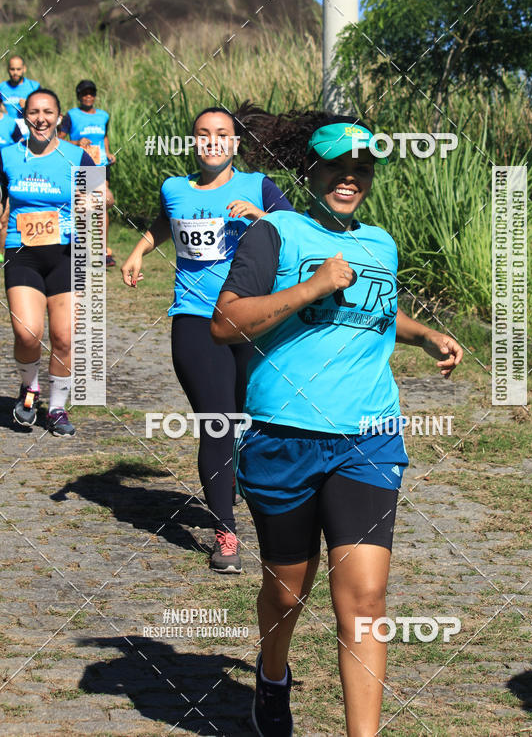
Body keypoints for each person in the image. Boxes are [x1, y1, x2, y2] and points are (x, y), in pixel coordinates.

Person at [211, 111, 463, 737]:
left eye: (362, 169)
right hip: (284, 437)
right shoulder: (276, 233)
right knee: (289, 593)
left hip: (369, 438)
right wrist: (311, 286)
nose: (350, 179)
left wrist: (423, 333)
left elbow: (377, 309)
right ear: (313, 169)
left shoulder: (380, 243)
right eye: (338, 167)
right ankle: (273, 675)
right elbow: (226, 322)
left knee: (366, 600)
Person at [120, 105, 295, 574]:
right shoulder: (174, 188)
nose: (213, 141)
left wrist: (263, 216)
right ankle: (227, 532)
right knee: (216, 422)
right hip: (196, 321)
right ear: (193, 141)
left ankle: (239, 484)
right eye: (203, 134)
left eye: (222, 134)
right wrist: (139, 249)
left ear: (236, 143)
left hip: (253, 318)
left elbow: (300, 237)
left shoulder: (259, 187)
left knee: (243, 420)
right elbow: (167, 222)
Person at [0, 88, 96, 437]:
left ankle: (56, 408)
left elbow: (102, 197)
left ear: (58, 117)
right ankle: (29, 389)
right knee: (27, 333)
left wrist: (93, 204)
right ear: (25, 116)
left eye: (48, 112)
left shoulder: (78, 156)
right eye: (34, 111)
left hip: (67, 254)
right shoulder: (7, 155)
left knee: (64, 337)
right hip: (21, 251)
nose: (41, 118)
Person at [59, 80, 116, 267]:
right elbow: (59, 139)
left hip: (100, 165)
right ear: (78, 96)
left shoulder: (104, 116)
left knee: (102, 205)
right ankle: (80, 248)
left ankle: (102, 251)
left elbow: (104, 136)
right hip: (80, 164)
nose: (88, 96)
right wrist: (77, 144)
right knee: (82, 206)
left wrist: (108, 152)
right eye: (84, 93)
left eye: (91, 92)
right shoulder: (71, 116)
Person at [0, 103, 20, 264]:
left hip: (6, 174)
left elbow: (19, 146)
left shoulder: (10, 123)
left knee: (5, 216)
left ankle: (2, 253)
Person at [0, 55, 40, 121]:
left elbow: (43, 108)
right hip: (8, 126)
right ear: (8, 69)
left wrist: (28, 105)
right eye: (12, 69)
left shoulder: (35, 86)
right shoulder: (1, 87)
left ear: (24, 69)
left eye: (18, 69)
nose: (15, 72)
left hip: (28, 125)